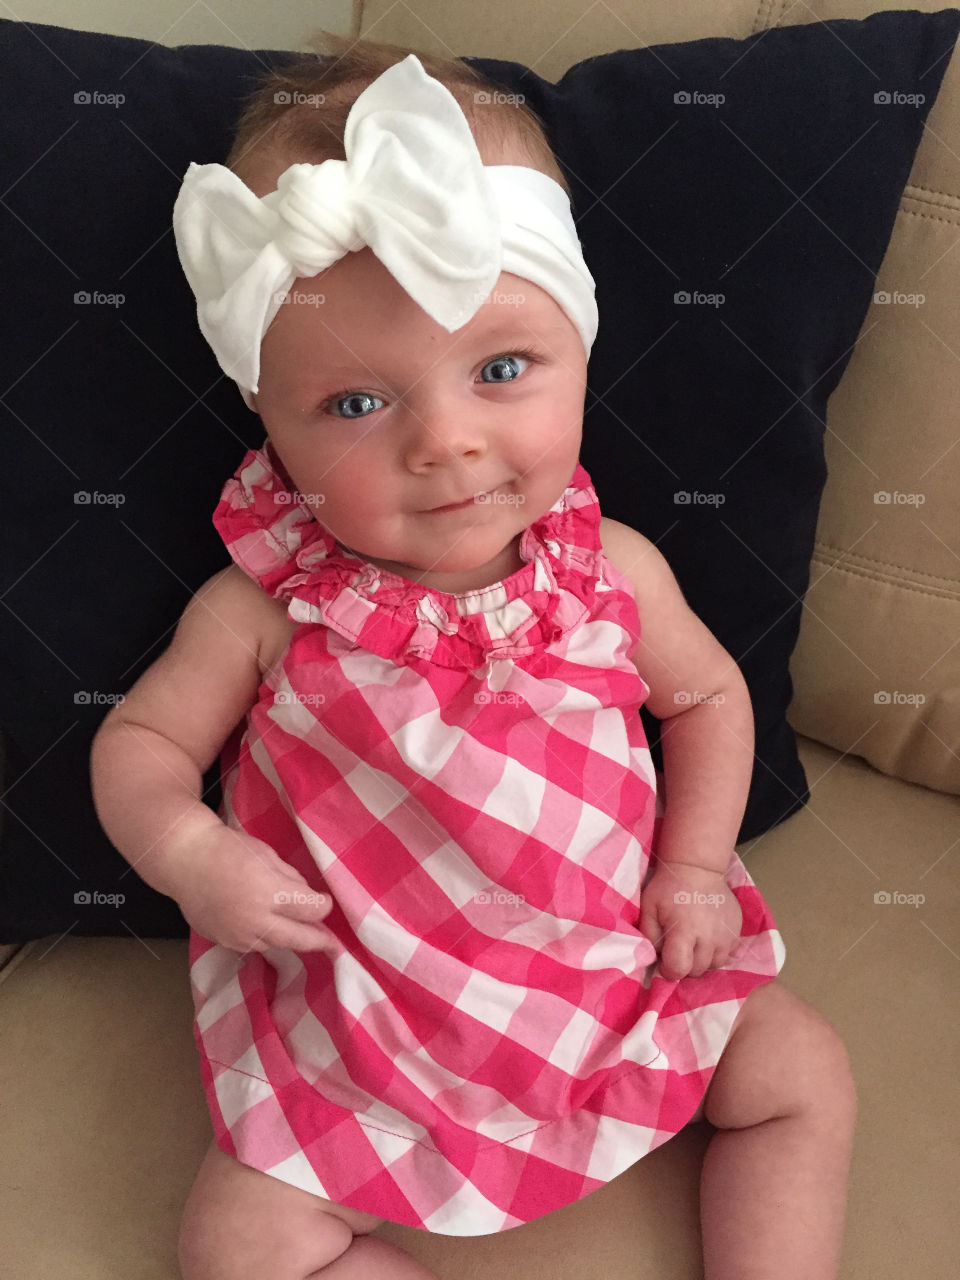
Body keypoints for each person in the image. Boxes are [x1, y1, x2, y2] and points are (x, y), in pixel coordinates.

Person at [90, 35, 856, 1280]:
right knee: (237, 1247)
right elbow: (141, 743)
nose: (445, 443)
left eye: (502, 368)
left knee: (799, 1070)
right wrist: (191, 854)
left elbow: (710, 692)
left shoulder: (610, 565)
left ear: (582, 352)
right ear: (270, 425)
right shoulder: (267, 604)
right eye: (355, 403)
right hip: (367, 1020)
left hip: (611, 969)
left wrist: (699, 867)